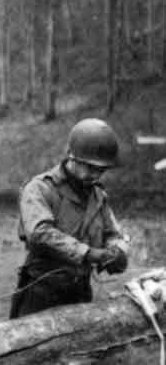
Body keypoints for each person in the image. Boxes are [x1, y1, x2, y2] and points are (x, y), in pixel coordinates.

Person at [11, 118, 128, 319]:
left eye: (101, 170)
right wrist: (88, 253)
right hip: (41, 293)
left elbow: (113, 233)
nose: (95, 175)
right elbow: (40, 232)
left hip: (80, 293)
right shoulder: (39, 189)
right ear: (72, 157)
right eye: (90, 168)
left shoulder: (98, 196)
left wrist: (116, 252)